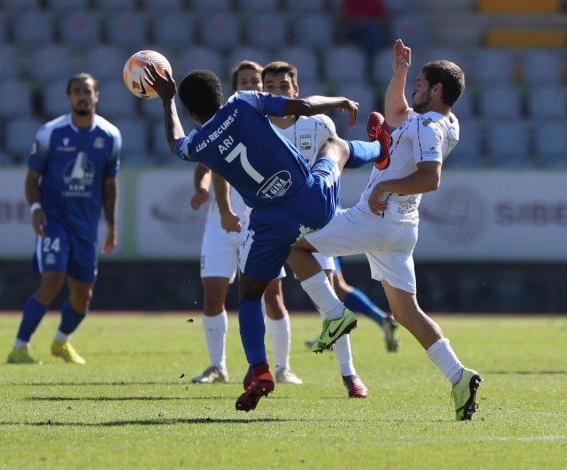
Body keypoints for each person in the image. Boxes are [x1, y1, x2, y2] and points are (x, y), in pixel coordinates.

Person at [144, 62, 387, 411]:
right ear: (221, 93)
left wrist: (166, 100)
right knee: (336, 147)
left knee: (248, 296)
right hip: (309, 202)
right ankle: (382, 149)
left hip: (270, 223)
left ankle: (260, 370)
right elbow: (301, 107)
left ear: (192, 110)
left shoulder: (198, 144)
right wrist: (337, 102)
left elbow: (175, 143)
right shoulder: (244, 102)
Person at [287, 39, 483, 421]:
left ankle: (333, 314)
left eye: (421, 84)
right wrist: (400, 73)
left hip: (377, 218)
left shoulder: (429, 127)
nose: (414, 90)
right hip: (401, 228)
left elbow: (431, 178)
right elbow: (396, 112)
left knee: (291, 244)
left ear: (437, 90)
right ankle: (460, 376)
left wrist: (383, 185)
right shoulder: (444, 122)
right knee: (407, 312)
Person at [190, 60, 303, 386]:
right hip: (221, 223)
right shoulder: (224, 119)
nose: (252, 86)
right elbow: (207, 164)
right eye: (245, 81)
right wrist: (204, 192)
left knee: (272, 296)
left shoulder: (268, 121)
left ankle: (283, 367)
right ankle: (217, 367)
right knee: (213, 293)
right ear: (233, 87)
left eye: (257, 81)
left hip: (261, 223)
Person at [7, 73, 121, 365]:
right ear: (69, 97)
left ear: (97, 96)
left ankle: (61, 342)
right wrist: (35, 210)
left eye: (87, 91)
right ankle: (19, 347)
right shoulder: (50, 133)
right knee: (53, 280)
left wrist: (111, 225)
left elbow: (109, 184)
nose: (81, 96)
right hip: (54, 221)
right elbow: (32, 178)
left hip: (86, 225)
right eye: (76, 91)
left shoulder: (110, 136)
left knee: (83, 297)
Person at [341, 0, 388, 77]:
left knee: (371, 31)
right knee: (371, 29)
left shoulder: (376, 2)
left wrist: (366, 21)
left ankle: (369, 68)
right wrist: (363, 22)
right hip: (354, 31)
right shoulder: (351, 1)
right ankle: (371, 67)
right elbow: (346, 19)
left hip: (369, 34)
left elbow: (383, 20)